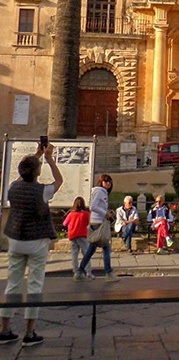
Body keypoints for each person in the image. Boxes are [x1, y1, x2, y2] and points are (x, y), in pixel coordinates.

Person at [0, 141, 63, 346]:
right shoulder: (42, 191)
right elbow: (59, 180)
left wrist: (36, 155)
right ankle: (29, 332)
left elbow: (22, 175)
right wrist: (49, 158)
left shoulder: (13, 188)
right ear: (37, 174)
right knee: (35, 285)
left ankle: (5, 329)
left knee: (13, 284)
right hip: (36, 241)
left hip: (16, 239)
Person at [78, 174, 119, 281]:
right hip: (98, 224)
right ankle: (109, 273)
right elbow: (93, 206)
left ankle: (79, 271)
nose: (108, 183)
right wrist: (104, 213)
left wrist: (107, 212)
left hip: (96, 222)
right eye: (106, 181)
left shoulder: (101, 192)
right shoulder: (100, 192)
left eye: (109, 181)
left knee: (91, 250)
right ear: (101, 182)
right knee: (106, 247)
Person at [63, 196, 93, 279]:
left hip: (72, 235)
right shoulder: (86, 214)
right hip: (82, 235)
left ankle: (76, 272)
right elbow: (88, 223)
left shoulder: (71, 214)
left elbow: (64, 224)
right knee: (86, 254)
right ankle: (88, 272)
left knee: (74, 254)